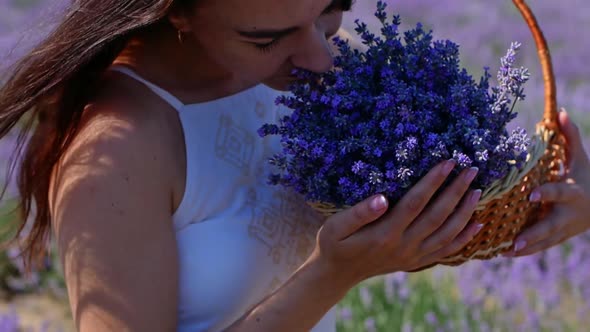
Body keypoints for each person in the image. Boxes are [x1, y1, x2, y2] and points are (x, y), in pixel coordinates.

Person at [0, 0, 588, 331]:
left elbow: (391, 221)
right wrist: (332, 276)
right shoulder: (119, 153)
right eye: (267, 39)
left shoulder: (295, 62)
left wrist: (535, 202)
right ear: (176, 12)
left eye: (334, 9)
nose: (321, 57)